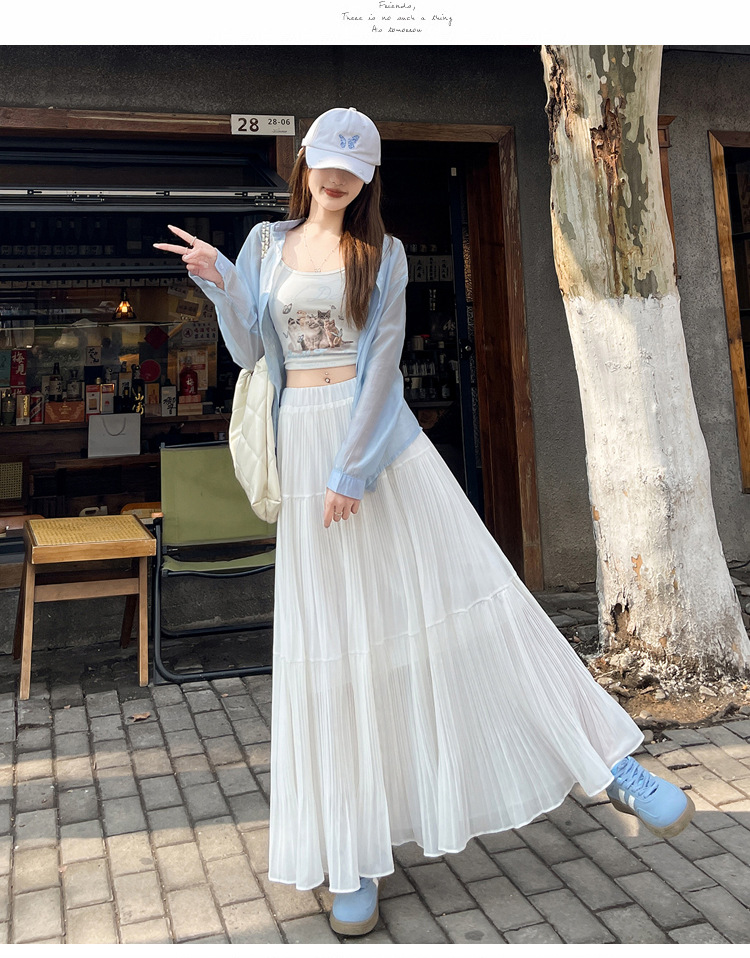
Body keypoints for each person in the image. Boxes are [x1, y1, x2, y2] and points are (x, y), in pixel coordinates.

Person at [155, 106, 694, 938]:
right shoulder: (264, 245)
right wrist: (221, 280)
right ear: (304, 163)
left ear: (368, 178)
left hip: (380, 449)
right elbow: (254, 355)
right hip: (302, 444)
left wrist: (352, 469)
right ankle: (351, 855)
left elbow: (382, 367)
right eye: (327, 162)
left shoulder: (384, 255)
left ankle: (610, 762)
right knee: (331, 651)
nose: (337, 178)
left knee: (485, 598)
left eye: (353, 167)